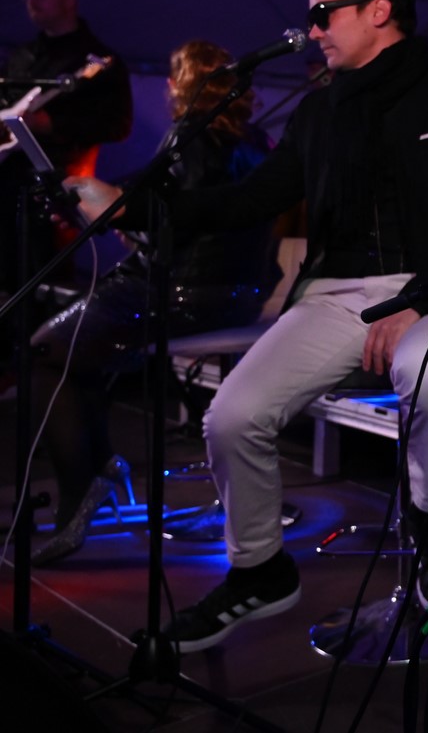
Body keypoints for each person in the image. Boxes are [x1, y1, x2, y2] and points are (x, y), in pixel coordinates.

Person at [70, 0, 428, 652]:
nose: (312, 31)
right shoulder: (318, 112)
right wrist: (133, 206)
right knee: (233, 414)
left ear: (379, 10)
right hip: (335, 297)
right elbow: (248, 199)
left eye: (324, 13)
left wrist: (420, 298)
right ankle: (260, 568)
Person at [29, 40, 278, 565]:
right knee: (79, 349)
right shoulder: (259, 140)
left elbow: (170, 224)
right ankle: (99, 469)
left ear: (180, 86)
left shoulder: (187, 136)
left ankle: (82, 489)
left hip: (182, 292)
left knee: (45, 349)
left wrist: (105, 216)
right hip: (241, 294)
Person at [1, 0, 133, 293]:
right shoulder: (23, 55)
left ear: (69, 1)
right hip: (7, 184)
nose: (32, 1)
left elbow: (117, 124)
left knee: (44, 280)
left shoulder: (99, 60)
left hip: (55, 189)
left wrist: (52, 125)